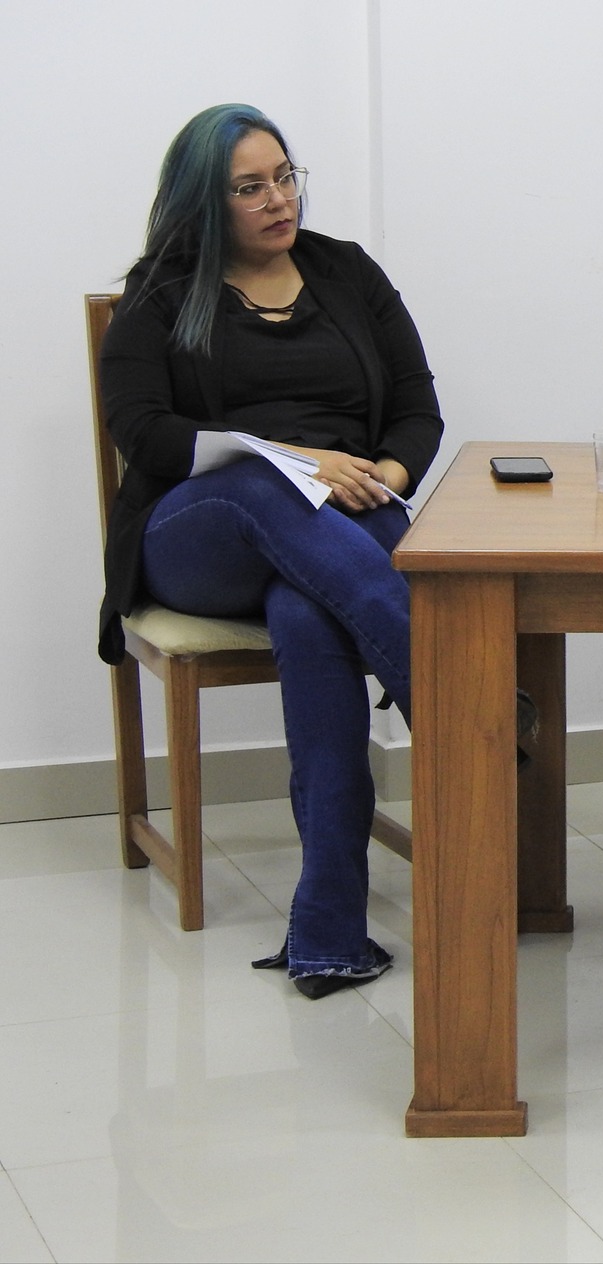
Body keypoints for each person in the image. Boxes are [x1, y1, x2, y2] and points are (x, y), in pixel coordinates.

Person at [97, 104, 443, 995]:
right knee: (263, 488)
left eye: (285, 177)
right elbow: (142, 432)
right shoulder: (160, 293)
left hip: (346, 524)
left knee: (309, 608)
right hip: (205, 528)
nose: (277, 199)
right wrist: (298, 463)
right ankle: (452, 696)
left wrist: (381, 474)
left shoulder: (346, 271)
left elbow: (415, 403)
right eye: (249, 188)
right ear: (204, 205)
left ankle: (329, 931)